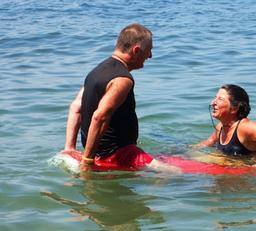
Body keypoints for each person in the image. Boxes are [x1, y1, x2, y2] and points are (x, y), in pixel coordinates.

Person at [63, 23, 179, 173]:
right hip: (120, 155)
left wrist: (69, 147)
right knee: (175, 173)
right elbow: (100, 117)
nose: (150, 56)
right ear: (136, 50)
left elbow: (76, 107)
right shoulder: (122, 80)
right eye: (149, 50)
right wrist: (87, 161)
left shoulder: (96, 71)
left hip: (100, 152)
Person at [196, 84, 256, 169]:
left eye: (220, 99)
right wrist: (187, 150)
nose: (213, 103)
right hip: (231, 168)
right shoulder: (221, 127)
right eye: (215, 98)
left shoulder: (244, 127)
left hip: (247, 173)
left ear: (234, 108)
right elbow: (210, 141)